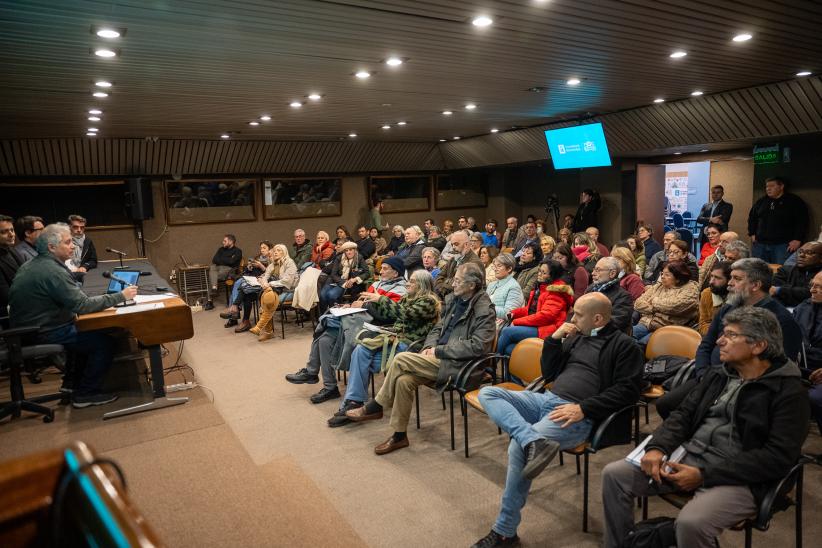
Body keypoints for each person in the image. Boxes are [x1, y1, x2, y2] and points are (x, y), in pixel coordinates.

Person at [602, 307, 809, 548]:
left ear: (759, 346)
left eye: (731, 335)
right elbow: (683, 415)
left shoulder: (789, 392)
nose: (720, 340)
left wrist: (704, 476)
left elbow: (777, 456)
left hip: (740, 477)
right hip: (688, 456)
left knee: (691, 523)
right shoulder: (720, 374)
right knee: (614, 475)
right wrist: (658, 447)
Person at [473, 293, 643, 548]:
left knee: (517, 447)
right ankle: (532, 439)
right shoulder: (576, 338)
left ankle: (505, 532)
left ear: (597, 319)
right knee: (489, 392)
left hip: (577, 413)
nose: (571, 319)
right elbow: (549, 372)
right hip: (546, 399)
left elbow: (628, 391)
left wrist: (584, 409)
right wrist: (553, 340)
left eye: (577, 315)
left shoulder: (624, 346)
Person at [345, 263, 496, 454]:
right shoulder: (456, 300)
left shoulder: (484, 310)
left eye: (457, 280)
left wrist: (439, 351)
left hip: (461, 365)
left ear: (472, 285)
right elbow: (437, 329)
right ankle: (399, 436)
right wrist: (429, 346)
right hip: (440, 358)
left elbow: (478, 346)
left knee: (401, 360)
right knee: (403, 380)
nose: (452, 284)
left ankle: (376, 406)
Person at [8, 223, 138, 407]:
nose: (73, 246)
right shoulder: (52, 271)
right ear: (51, 247)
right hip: (43, 331)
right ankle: (85, 394)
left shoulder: (37, 264)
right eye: (68, 242)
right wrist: (120, 296)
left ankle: (73, 385)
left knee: (90, 333)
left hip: (32, 328)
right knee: (102, 343)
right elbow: (82, 305)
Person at [655, 258, 803, 419]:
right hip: (712, 376)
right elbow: (706, 345)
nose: (729, 283)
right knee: (666, 404)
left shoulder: (782, 320)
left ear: (756, 285)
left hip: (748, 386)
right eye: (730, 277)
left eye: (737, 279)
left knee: (705, 415)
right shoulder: (729, 308)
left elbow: (781, 366)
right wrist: (703, 374)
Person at [327, 270, 441, 427]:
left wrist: (381, 299)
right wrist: (366, 304)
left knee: (365, 361)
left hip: (411, 345)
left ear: (423, 284)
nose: (408, 283)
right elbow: (389, 314)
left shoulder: (429, 302)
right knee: (360, 350)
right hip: (394, 338)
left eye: (412, 281)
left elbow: (405, 314)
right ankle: (354, 401)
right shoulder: (408, 297)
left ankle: (368, 406)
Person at [285, 257, 409, 392]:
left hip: (375, 325)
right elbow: (361, 302)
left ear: (396, 273)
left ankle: (314, 374)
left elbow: (387, 316)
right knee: (324, 339)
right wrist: (349, 305)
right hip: (359, 318)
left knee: (325, 329)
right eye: (381, 268)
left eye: (385, 269)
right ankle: (327, 385)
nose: (381, 272)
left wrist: (364, 305)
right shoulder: (377, 284)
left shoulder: (401, 289)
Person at [496, 259, 573, 357]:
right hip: (537, 325)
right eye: (539, 271)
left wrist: (517, 321)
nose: (539, 274)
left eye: (543, 272)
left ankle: (492, 363)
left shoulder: (556, 292)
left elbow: (545, 316)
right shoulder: (541, 287)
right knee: (509, 348)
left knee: (507, 331)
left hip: (548, 329)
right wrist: (514, 313)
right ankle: (507, 369)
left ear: (553, 275)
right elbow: (530, 310)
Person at [632, 261, 699, 343]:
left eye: (667, 275)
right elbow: (638, 303)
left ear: (678, 279)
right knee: (625, 337)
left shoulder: (690, 289)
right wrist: (655, 309)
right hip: (646, 323)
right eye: (662, 274)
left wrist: (654, 301)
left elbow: (673, 306)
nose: (662, 277)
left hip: (666, 329)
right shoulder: (659, 286)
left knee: (642, 344)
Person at [748, 176, 809, 264]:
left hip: (783, 245)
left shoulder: (794, 201)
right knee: (758, 270)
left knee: (781, 271)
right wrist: (752, 233)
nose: (768, 189)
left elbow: (802, 221)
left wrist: (797, 239)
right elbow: (752, 218)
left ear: (781, 186)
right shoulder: (762, 201)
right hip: (760, 244)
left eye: (772, 186)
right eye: (767, 186)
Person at [249, 244, 299, 341]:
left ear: (284, 252)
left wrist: (270, 284)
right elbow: (265, 276)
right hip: (274, 290)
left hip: (288, 290)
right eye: (275, 250)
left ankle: (265, 331)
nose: (275, 252)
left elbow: (287, 281)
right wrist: (264, 282)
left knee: (267, 300)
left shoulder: (289, 263)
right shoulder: (273, 264)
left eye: (279, 250)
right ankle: (264, 330)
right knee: (269, 296)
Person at [793, 270, 822, 433]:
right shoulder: (803, 307)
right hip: (800, 368)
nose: (812, 290)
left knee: (815, 398)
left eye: (819, 287)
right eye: (812, 285)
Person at [221, 240, 272, 322]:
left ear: (270, 249)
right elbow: (248, 271)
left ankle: (234, 312)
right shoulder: (257, 257)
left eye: (264, 248)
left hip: (260, 280)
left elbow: (269, 274)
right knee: (237, 285)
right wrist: (249, 267)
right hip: (251, 277)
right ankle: (234, 311)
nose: (262, 250)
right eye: (261, 248)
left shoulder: (271, 258)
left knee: (239, 285)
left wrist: (261, 266)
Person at [583, 257, 634, 332]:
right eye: (594, 269)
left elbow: (614, 324)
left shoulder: (623, 297)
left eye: (598, 270)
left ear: (612, 273)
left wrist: (589, 331)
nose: (593, 273)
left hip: (605, 339)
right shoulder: (590, 289)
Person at [318, 241, 368, 313]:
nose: (348, 252)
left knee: (331, 295)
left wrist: (355, 279)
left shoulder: (359, 258)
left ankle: (334, 316)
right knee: (322, 296)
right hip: (335, 280)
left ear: (354, 250)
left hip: (347, 283)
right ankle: (324, 316)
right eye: (346, 250)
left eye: (350, 250)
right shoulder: (339, 258)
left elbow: (367, 272)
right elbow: (333, 274)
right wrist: (344, 282)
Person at [771, 241, 822, 307]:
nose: (802, 255)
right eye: (800, 252)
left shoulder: (820, 274)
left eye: (809, 253)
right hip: (783, 308)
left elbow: (810, 293)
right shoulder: (785, 270)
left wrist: (781, 290)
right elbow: (772, 291)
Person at [434, 230, 482, 298]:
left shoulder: (474, 263)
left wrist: (442, 285)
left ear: (466, 245)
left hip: (460, 299)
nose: (453, 247)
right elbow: (439, 276)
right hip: (445, 295)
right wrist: (441, 286)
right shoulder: (453, 259)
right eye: (452, 244)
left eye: (456, 244)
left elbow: (461, 287)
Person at [204, 233, 242, 310]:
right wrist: (228, 259)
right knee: (212, 267)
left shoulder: (237, 251)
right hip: (217, 268)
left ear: (231, 242)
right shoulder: (221, 249)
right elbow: (214, 260)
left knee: (212, 276)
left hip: (229, 269)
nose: (223, 242)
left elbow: (232, 262)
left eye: (225, 241)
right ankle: (214, 287)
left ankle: (209, 301)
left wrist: (221, 259)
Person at [486, 253, 525, 324]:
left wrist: (487, 307)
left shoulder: (514, 287)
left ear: (509, 269)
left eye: (499, 266)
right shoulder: (491, 285)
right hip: (487, 320)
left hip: (501, 324)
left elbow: (509, 313)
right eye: (494, 266)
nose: (495, 269)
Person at [698, 260, 731, 335]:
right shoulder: (706, 294)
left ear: (729, 280)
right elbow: (703, 324)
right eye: (711, 276)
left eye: (717, 278)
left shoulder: (739, 297)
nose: (711, 281)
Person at [0, 214, 24, 320]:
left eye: (12, 230)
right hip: (13, 315)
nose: (11, 234)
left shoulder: (11, 250)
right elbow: (6, 296)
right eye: (4, 232)